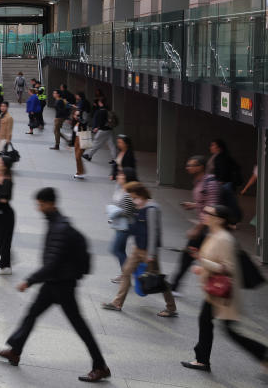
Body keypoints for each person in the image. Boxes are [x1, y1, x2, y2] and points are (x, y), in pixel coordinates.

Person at [0, 188, 111, 383]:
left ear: (51, 204)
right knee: (31, 314)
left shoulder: (59, 228)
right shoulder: (55, 223)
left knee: (79, 326)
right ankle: (15, 351)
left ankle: (100, 366)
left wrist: (29, 280)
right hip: (53, 283)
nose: (38, 208)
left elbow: (53, 263)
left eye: (41, 205)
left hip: (62, 285)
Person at [181, 204, 268, 373]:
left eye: (208, 213)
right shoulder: (213, 234)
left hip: (224, 294)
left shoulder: (224, 239)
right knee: (206, 321)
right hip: (214, 291)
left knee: (230, 332)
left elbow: (227, 268)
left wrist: (201, 261)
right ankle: (202, 360)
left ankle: (264, 354)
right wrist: (202, 267)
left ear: (219, 219)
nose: (204, 214)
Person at [101, 182, 178, 317]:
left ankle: (171, 308)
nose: (133, 201)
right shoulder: (139, 207)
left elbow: (153, 233)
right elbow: (137, 227)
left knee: (158, 280)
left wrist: (151, 254)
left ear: (142, 195)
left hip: (148, 251)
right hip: (137, 249)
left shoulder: (152, 209)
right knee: (126, 272)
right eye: (132, 198)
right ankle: (117, 303)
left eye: (134, 197)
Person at [170, 156, 222, 293]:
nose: (188, 168)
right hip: (206, 227)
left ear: (201, 167)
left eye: (192, 165)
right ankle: (175, 285)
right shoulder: (199, 181)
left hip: (209, 228)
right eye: (188, 165)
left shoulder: (210, 183)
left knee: (192, 256)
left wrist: (198, 228)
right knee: (189, 256)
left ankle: (176, 286)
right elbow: (204, 201)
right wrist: (194, 205)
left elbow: (212, 208)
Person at [107, 167, 137, 277]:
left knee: (115, 250)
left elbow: (129, 212)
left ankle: (127, 273)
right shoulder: (121, 188)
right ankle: (125, 273)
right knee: (120, 250)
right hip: (120, 224)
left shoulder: (129, 193)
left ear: (127, 178)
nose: (118, 176)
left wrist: (114, 212)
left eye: (121, 175)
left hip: (126, 225)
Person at [83, 98, 117, 162]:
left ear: (101, 103)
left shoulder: (101, 111)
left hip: (102, 130)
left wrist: (96, 128)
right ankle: (115, 159)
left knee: (96, 142)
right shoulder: (108, 110)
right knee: (112, 145)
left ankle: (89, 155)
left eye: (99, 102)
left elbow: (101, 122)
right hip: (109, 130)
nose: (98, 103)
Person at [70, 109, 87, 180]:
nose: (76, 116)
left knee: (78, 157)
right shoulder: (75, 122)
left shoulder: (82, 122)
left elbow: (84, 123)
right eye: (75, 115)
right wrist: (71, 143)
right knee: (77, 158)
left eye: (78, 115)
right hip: (76, 141)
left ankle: (80, 172)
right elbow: (73, 134)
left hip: (82, 139)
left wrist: (79, 119)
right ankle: (80, 172)